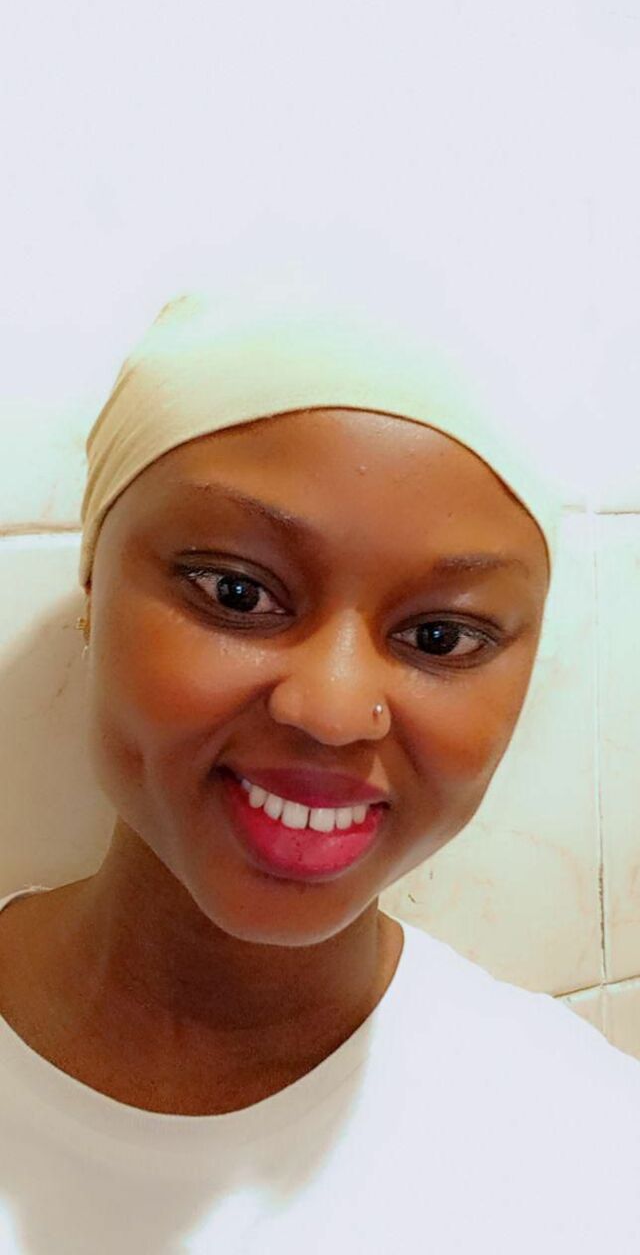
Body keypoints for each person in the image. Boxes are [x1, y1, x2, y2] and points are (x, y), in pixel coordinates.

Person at [0, 290, 639, 1254]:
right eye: (237, 591)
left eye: (439, 636)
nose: (334, 710)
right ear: (94, 586)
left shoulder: (584, 1157)